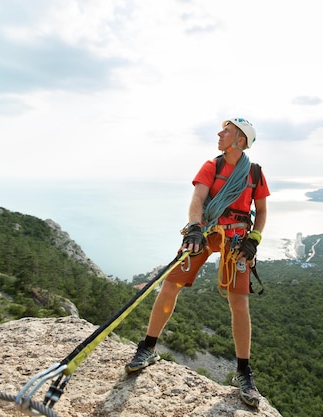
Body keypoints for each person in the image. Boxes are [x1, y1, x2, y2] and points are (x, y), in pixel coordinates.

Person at [124, 117, 270, 408]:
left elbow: (262, 210)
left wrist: (254, 239)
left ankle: (243, 372)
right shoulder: (211, 167)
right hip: (205, 232)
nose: (220, 133)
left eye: (226, 131)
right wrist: (194, 228)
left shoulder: (254, 173)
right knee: (170, 285)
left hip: (237, 238)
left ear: (240, 140)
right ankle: (148, 348)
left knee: (239, 301)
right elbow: (198, 200)